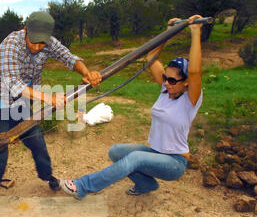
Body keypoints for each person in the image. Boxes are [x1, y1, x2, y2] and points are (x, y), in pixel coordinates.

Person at [60, 14, 204, 199]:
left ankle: (83, 186)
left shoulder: (190, 100)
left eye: (173, 80)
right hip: (156, 153)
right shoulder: (165, 90)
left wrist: (195, 33)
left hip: (175, 162)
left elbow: (195, 71)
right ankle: (146, 184)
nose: (167, 82)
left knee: (135, 159)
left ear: (186, 83)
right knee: (116, 152)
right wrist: (168, 33)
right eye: (165, 78)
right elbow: (152, 56)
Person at [0, 11, 102, 197]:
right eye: (33, 41)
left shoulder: (48, 42)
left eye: (42, 43)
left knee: (38, 143)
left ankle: (46, 176)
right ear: (26, 30)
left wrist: (86, 73)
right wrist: (48, 97)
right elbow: (13, 83)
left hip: (23, 103)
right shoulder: (10, 45)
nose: (36, 47)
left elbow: (69, 57)